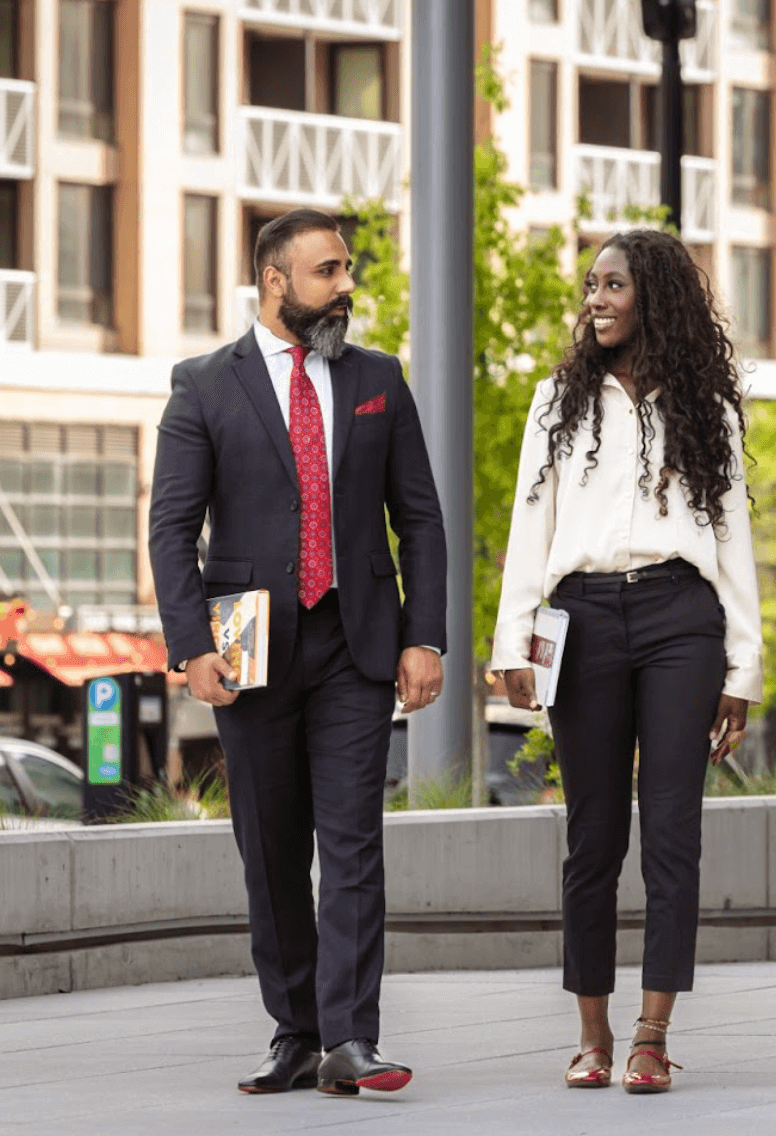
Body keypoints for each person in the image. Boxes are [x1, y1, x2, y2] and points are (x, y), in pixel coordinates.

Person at [149, 209, 447, 1097]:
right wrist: (191, 645)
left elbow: (420, 521)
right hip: (250, 652)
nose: (345, 284)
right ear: (275, 280)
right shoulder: (204, 384)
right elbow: (171, 528)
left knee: (353, 842)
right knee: (271, 848)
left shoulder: (377, 379)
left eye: (346, 267)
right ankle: (297, 1030)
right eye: (328, 271)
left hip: (355, 642)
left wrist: (423, 634)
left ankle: (353, 1037)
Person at [490, 229, 762, 1094]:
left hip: (683, 617)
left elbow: (733, 542)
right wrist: (513, 644)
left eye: (613, 285)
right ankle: (593, 1034)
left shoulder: (707, 408)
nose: (595, 300)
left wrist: (741, 670)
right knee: (593, 836)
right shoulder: (554, 401)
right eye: (590, 286)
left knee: (673, 832)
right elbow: (527, 532)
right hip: (583, 620)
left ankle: (652, 1033)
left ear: (657, 297)